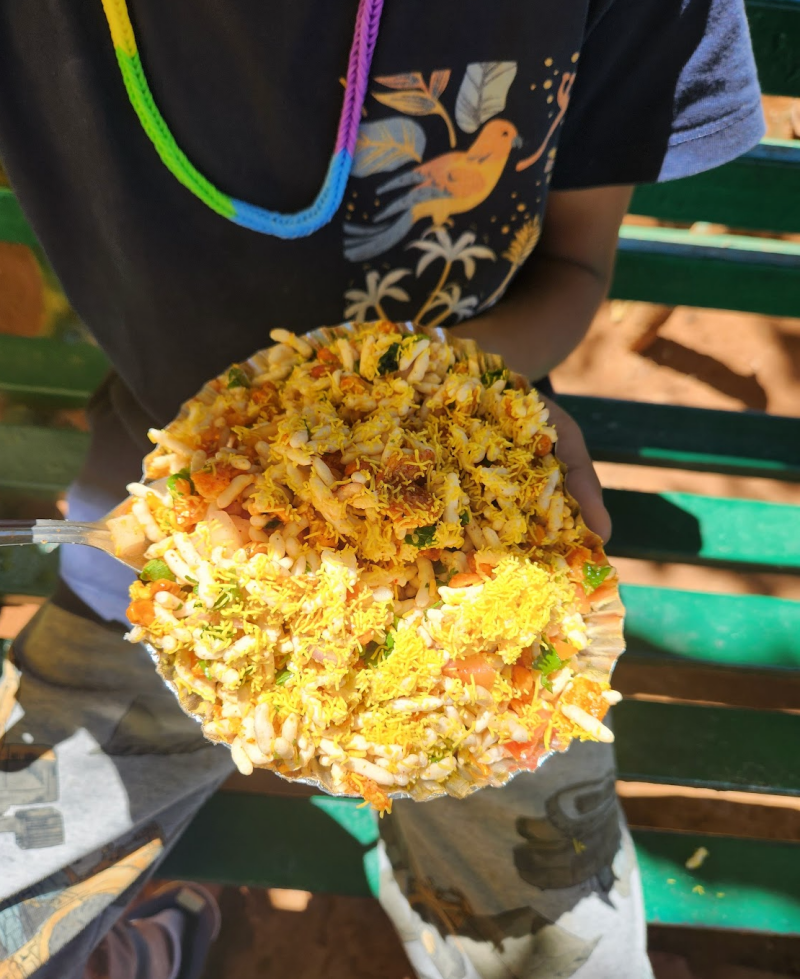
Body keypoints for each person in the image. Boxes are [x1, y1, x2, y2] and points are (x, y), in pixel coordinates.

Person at [0, 2, 763, 976]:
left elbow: (574, 261)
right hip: (147, 549)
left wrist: (463, 393)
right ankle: (140, 949)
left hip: (484, 594)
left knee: (565, 950)